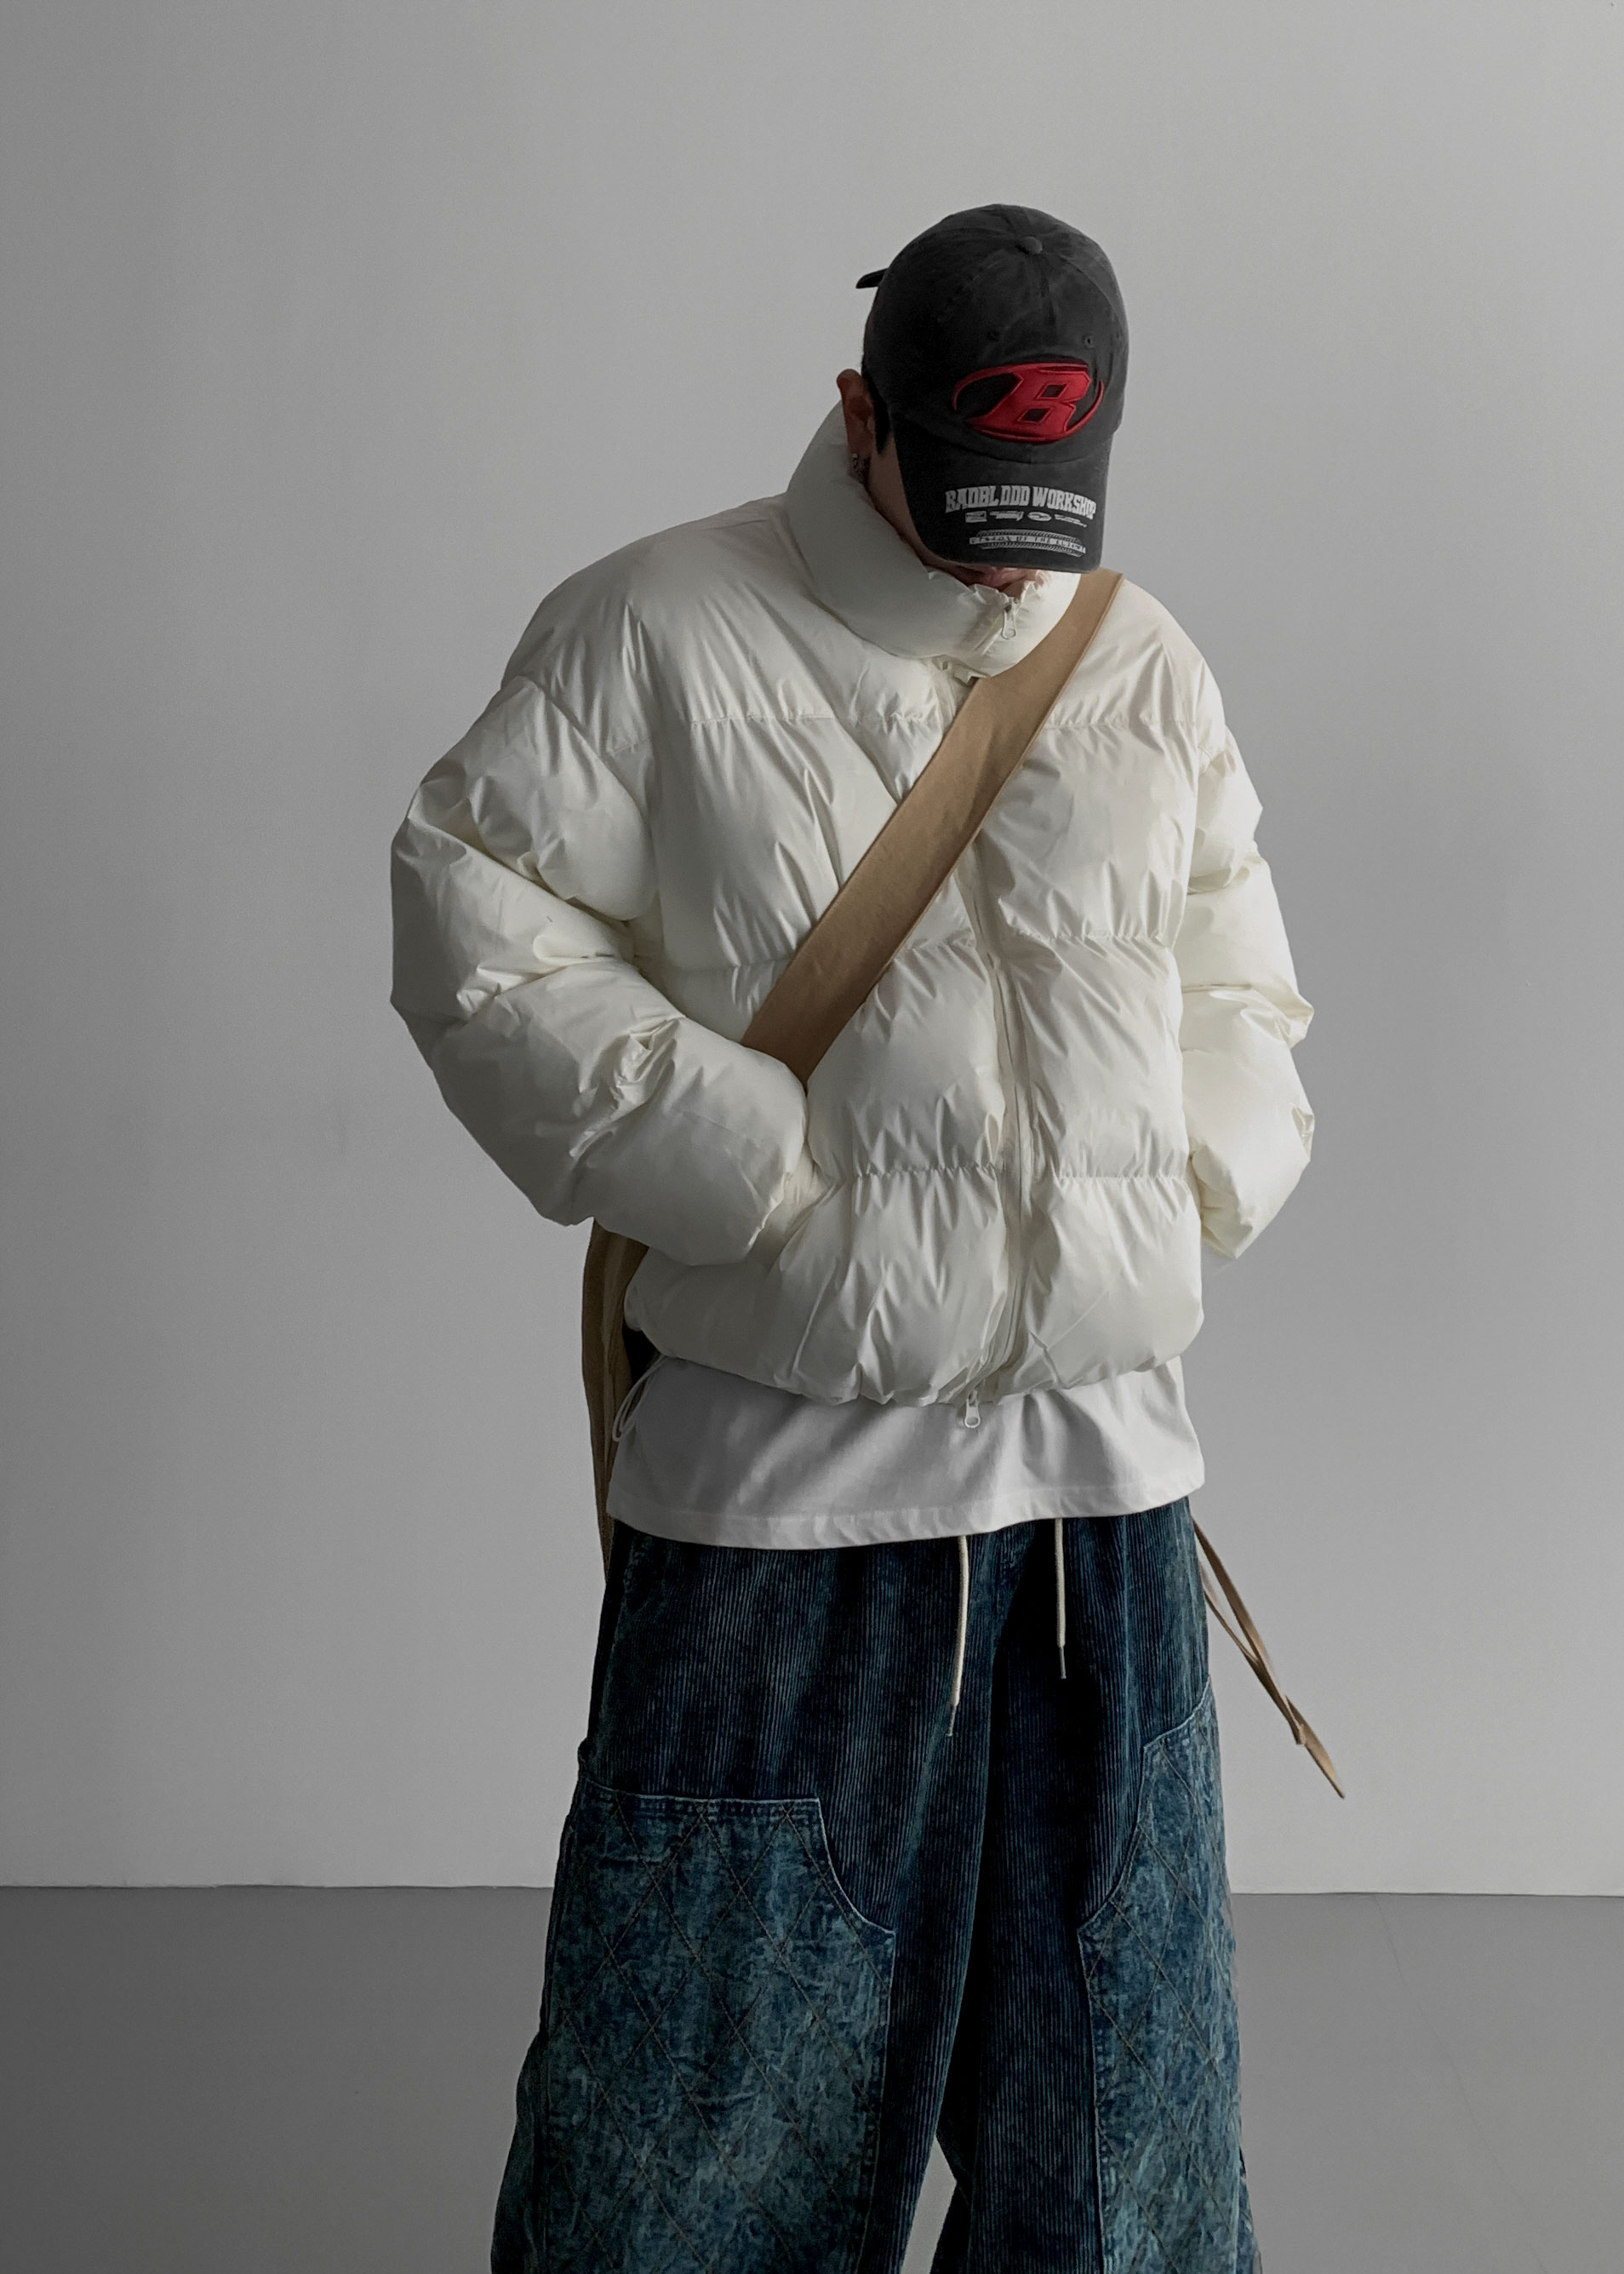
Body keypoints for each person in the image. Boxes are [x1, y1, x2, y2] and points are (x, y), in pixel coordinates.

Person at [391, 203, 1312, 2274]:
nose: (1003, 560)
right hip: (784, 1524)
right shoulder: (656, 626)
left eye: (1047, 501)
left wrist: (1182, 1193)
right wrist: (746, 1168)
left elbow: (1240, 981)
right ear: (859, 414)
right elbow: (473, 919)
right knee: (696, 2175)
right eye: (966, 491)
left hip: (1105, 1517)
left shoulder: (1139, 658)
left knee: (1127, 2173)